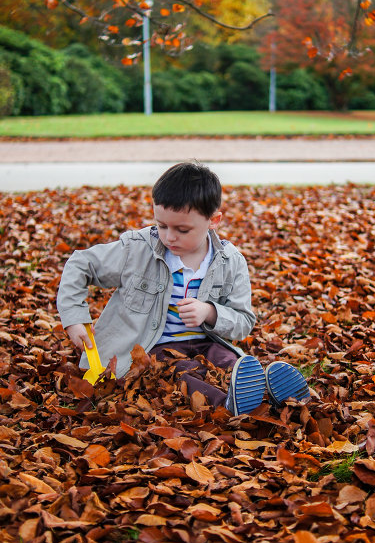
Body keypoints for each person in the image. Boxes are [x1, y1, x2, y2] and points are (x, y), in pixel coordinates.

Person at [56, 162, 309, 415]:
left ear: (214, 221)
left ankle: (271, 393)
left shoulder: (230, 261)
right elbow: (81, 264)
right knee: (179, 374)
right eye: (162, 225)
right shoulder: (137, 250)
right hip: (152, 349)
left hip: (204, 344)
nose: (169, 237)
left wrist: (210, 312)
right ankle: (227, 405)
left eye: (182, 229)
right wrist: (74, 318)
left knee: (229, 363)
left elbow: (243, 322)